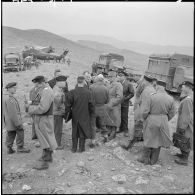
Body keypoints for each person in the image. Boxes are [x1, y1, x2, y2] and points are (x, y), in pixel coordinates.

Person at [137, 80, 176, 165]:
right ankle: (153, 160)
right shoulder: (171, 98)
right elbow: (173, 112)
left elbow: (145, 111)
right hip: (163, 120)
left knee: (148, 138)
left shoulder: (151, 96)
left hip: (152, 119)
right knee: (158, 140)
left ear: (157, 86)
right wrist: (165, 119)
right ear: (165, 88)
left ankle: (145, 159)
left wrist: (145, 118)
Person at [25, 76, 57, 170]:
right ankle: (46, 157)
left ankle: (45, 161)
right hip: (42, 118)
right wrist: (32, 102)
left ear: (42, 83)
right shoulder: (44, 90)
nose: (36, 87)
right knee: (44, 138)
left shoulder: (47, 91)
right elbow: (40, 101)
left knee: (46, 138)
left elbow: (43, 108)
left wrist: (30, 109)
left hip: (45, 118)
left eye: (37, 85)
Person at [121, 75, 156, 150]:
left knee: (136, 129)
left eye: (143, 80)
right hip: (145, 113)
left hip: (142, 114)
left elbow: (145, 105)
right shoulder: (151, 89)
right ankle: (133, 142)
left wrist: (141, 116)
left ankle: (128, 146)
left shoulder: (147, 91)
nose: (142, 82)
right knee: (138, 129)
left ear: (146, 81)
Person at [65, 76, 95, 153]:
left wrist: (68, 115)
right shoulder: (89, 93)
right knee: (82, 131)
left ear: (77, 82)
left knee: (74, 131)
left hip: (75, 115)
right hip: (85, 115)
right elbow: (91, 105)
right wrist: (92, 114)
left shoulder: (72, 92)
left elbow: (68, 105)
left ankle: (73, 148)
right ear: (84, 82)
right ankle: (81, 148)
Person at [3, 82, 30, 154]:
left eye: (15, 88)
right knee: (20, 131)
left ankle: (9, 148)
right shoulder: (10, 99)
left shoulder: (4, 97)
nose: (15, 89)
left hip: (8, 121)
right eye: (14, 88)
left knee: (11, 133)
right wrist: (18, 123)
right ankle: (20, 147)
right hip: (13, 120)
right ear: (8, 89)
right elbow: (13, 113)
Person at [174, 81, 193, 166]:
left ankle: (185, 159)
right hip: (187, 122)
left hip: (186, 124)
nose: (181, 87)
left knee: (185, 139)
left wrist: (182, 127)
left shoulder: (187, 100)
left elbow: (186, 114)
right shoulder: (189, 97)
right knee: (184, 138)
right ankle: (183, 155)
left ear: (188, 88)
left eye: (183, 86)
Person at [89, 74, 109, 146]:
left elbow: (90, 99)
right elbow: (107, 100)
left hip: (94, 108)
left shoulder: (91, 87)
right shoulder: (106, 88)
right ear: (102, 80)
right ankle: (105, 136)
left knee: (93, 125)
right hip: (102, 108)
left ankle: (93, 140)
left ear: (97, 79)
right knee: (102, 123)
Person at [105, 69, 123, 141]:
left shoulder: (118, 85)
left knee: (115, 120)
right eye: (108, 76)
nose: (109, 78)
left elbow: (120, 97)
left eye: (110, 77)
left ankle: (113, 133)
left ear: (114, 77)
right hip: (109, 106)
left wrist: (111, 103)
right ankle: (109, 131)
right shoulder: (109, 84)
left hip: (115, 106)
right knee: (109, 119)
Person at [117, 71, 135, 137]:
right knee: (119, 116)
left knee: (124, 117)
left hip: (125, 103)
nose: (119, 77)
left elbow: (132, 93)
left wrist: (126, 98)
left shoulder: (129, 84)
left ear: (124, 77)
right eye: (119, 75)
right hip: (118, 103)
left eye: (121, 76)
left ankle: (126, 130)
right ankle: (121, 128)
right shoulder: (118, 83)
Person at [53, 75, 67, 149]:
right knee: (57, 129)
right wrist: (63, 98)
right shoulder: (57, 91)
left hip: (56, 112)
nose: (65, 83)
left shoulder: (58, 89)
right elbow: (58, 103)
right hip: (57, 112)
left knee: (56, 128)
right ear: (60, 82)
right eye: (64, 82)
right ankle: (57, 145)